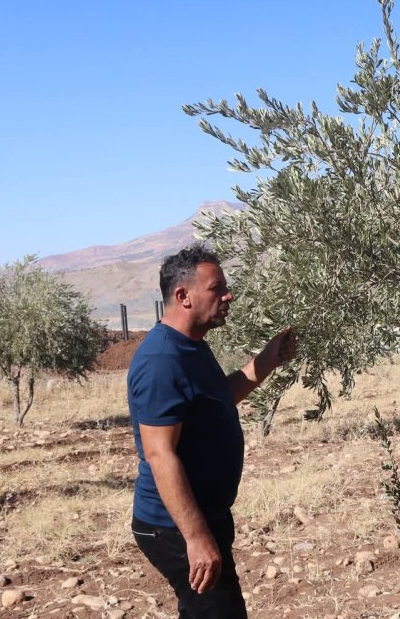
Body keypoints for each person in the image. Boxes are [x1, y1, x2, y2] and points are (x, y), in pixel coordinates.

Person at [127, 244, 296, 618]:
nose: (228, 295)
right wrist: (196, 537)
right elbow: (160, 453)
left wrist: (267, 359)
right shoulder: (161, 361)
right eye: (217, 287)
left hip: (203, 516)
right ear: (183, 296)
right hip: (172, 526)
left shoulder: (191, 347)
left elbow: (218, 398)